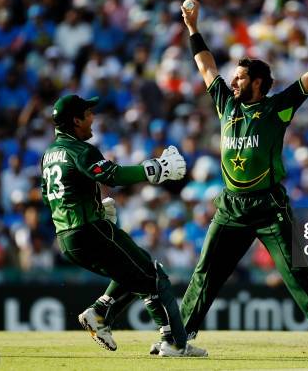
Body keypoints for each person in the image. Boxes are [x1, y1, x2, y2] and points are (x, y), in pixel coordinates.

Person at [156, 0, 308, 358]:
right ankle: (178, 339)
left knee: (298, 275)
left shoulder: (278, 107)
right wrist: (193, 27)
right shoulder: (227, 104)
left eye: (240, 77)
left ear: (258, 82)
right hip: (231, 206)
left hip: (269, 206)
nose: (233, 81)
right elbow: (206, 66)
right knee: (205, 273)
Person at [41, 94, 206, 357]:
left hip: (67, 237)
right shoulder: (81, 151)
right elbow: (112, 175)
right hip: (88, 230)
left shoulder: (49, 154)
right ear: (75, 120)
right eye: (87, 113)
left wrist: (95, 206)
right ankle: (175, 343)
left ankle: (102, 312)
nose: (92, 118)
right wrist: (155, 169)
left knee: (137, 273)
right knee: (154, 275)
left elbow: (48, 195)